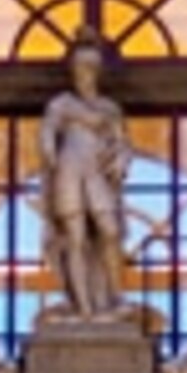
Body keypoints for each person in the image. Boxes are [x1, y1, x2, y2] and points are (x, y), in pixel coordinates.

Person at [39, 32, 132, 320]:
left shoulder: (109, 108)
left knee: (110, 231)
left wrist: (121, 158)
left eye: (90, 68)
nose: (85, 74)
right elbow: (47, 134)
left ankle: (113, 297)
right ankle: (84, 307)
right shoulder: (61, 104)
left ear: (98, 71)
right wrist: (49, 155)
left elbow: (122, 142)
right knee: (75, 238)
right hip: (69, 170)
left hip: (96, 172)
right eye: (80, 67)